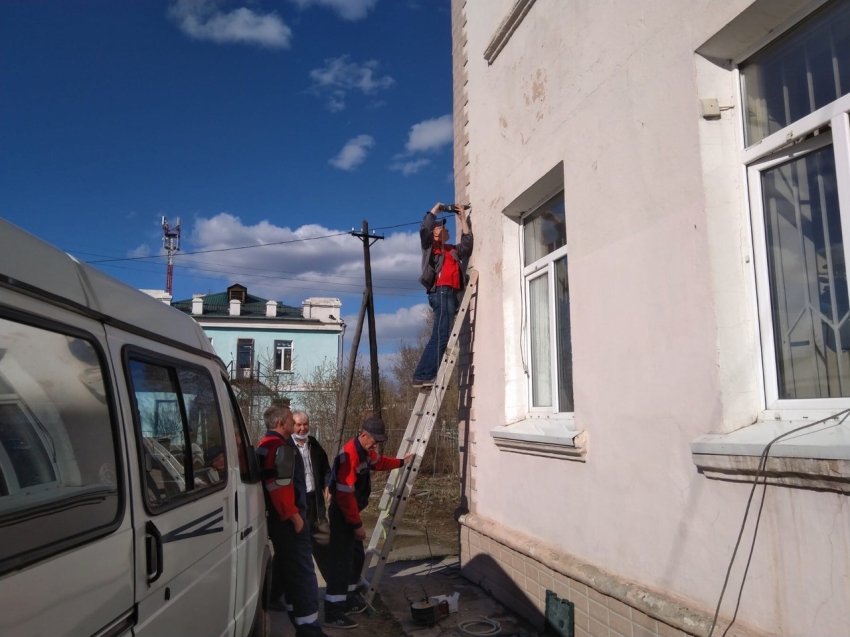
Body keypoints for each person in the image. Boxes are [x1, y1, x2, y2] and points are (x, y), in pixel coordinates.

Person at [323, 417, 414, 629]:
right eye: (374, 441)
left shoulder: (364, 452)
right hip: (343, 516)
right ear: (364, 435)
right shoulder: (351, 455)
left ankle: (349, 598)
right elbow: (345, 497)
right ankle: (333, 612)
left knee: (355, 558)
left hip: (350, 514)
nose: (376, 446)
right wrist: (357, 525)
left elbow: (379, 462)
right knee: (341, 563)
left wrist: (402, 462)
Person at [257, 405, 327, 637]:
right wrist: (295, 517)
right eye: (290, 420)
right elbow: (278, 486)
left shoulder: (263, 445)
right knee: (303, 574)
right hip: (288, 521)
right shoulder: (281, 448)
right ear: (281, 424)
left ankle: (297, 618)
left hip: (277, 522)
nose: (294, 423)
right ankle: (309, 629)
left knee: (289, 571)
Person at [412, 202, 473, 387]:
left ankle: (423, 374)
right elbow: (425, 229)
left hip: (450, 294)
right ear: (434, 233)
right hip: (440, 291)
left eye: (442, 227)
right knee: (441, 335)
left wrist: (463, 219)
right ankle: (423, 374)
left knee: (441, 334)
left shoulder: (452, 250)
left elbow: (467, 244)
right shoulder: (431, 248)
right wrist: (435, 210)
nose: (442, 230)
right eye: (438, 228)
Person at [291, 410, 333, 582]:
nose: (303, 428)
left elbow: (325, 469)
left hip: (315, 502)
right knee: (295, 547)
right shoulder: (286, 447)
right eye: (298, 425)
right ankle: (281, 592)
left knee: (324, 541)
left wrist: (327, 484)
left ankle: (334, 583)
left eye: (305, 424)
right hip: (296, 504)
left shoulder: (313, 444)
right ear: (292, 426)